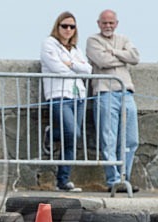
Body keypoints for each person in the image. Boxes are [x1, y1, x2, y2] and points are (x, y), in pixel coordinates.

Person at [86, 9, 141, 193]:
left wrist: (114, 52)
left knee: (131, 139)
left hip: (126, 93)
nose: (107, 26)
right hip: (105, 93)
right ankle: (113, 180)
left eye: (111, 23)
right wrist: (122, 57)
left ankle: (125, 178)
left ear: (116, 23)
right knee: (108, 139)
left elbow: (135, 57)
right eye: (104, 23)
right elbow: (102, 61)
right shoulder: (93, 40)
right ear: (98, 23)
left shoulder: (123, 39)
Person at [40, 11, 92, 193]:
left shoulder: (75, 49)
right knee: (72, 133)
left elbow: (88, 70)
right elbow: (58, 69)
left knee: (70, 140)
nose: (68, 29)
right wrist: (74, 67)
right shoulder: (49, 44)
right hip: (59, 96)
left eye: (72, 26)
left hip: (78, 97)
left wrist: (71, 64)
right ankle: (52, 133)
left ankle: (63, 180)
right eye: (65, 26)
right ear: (58, 26)